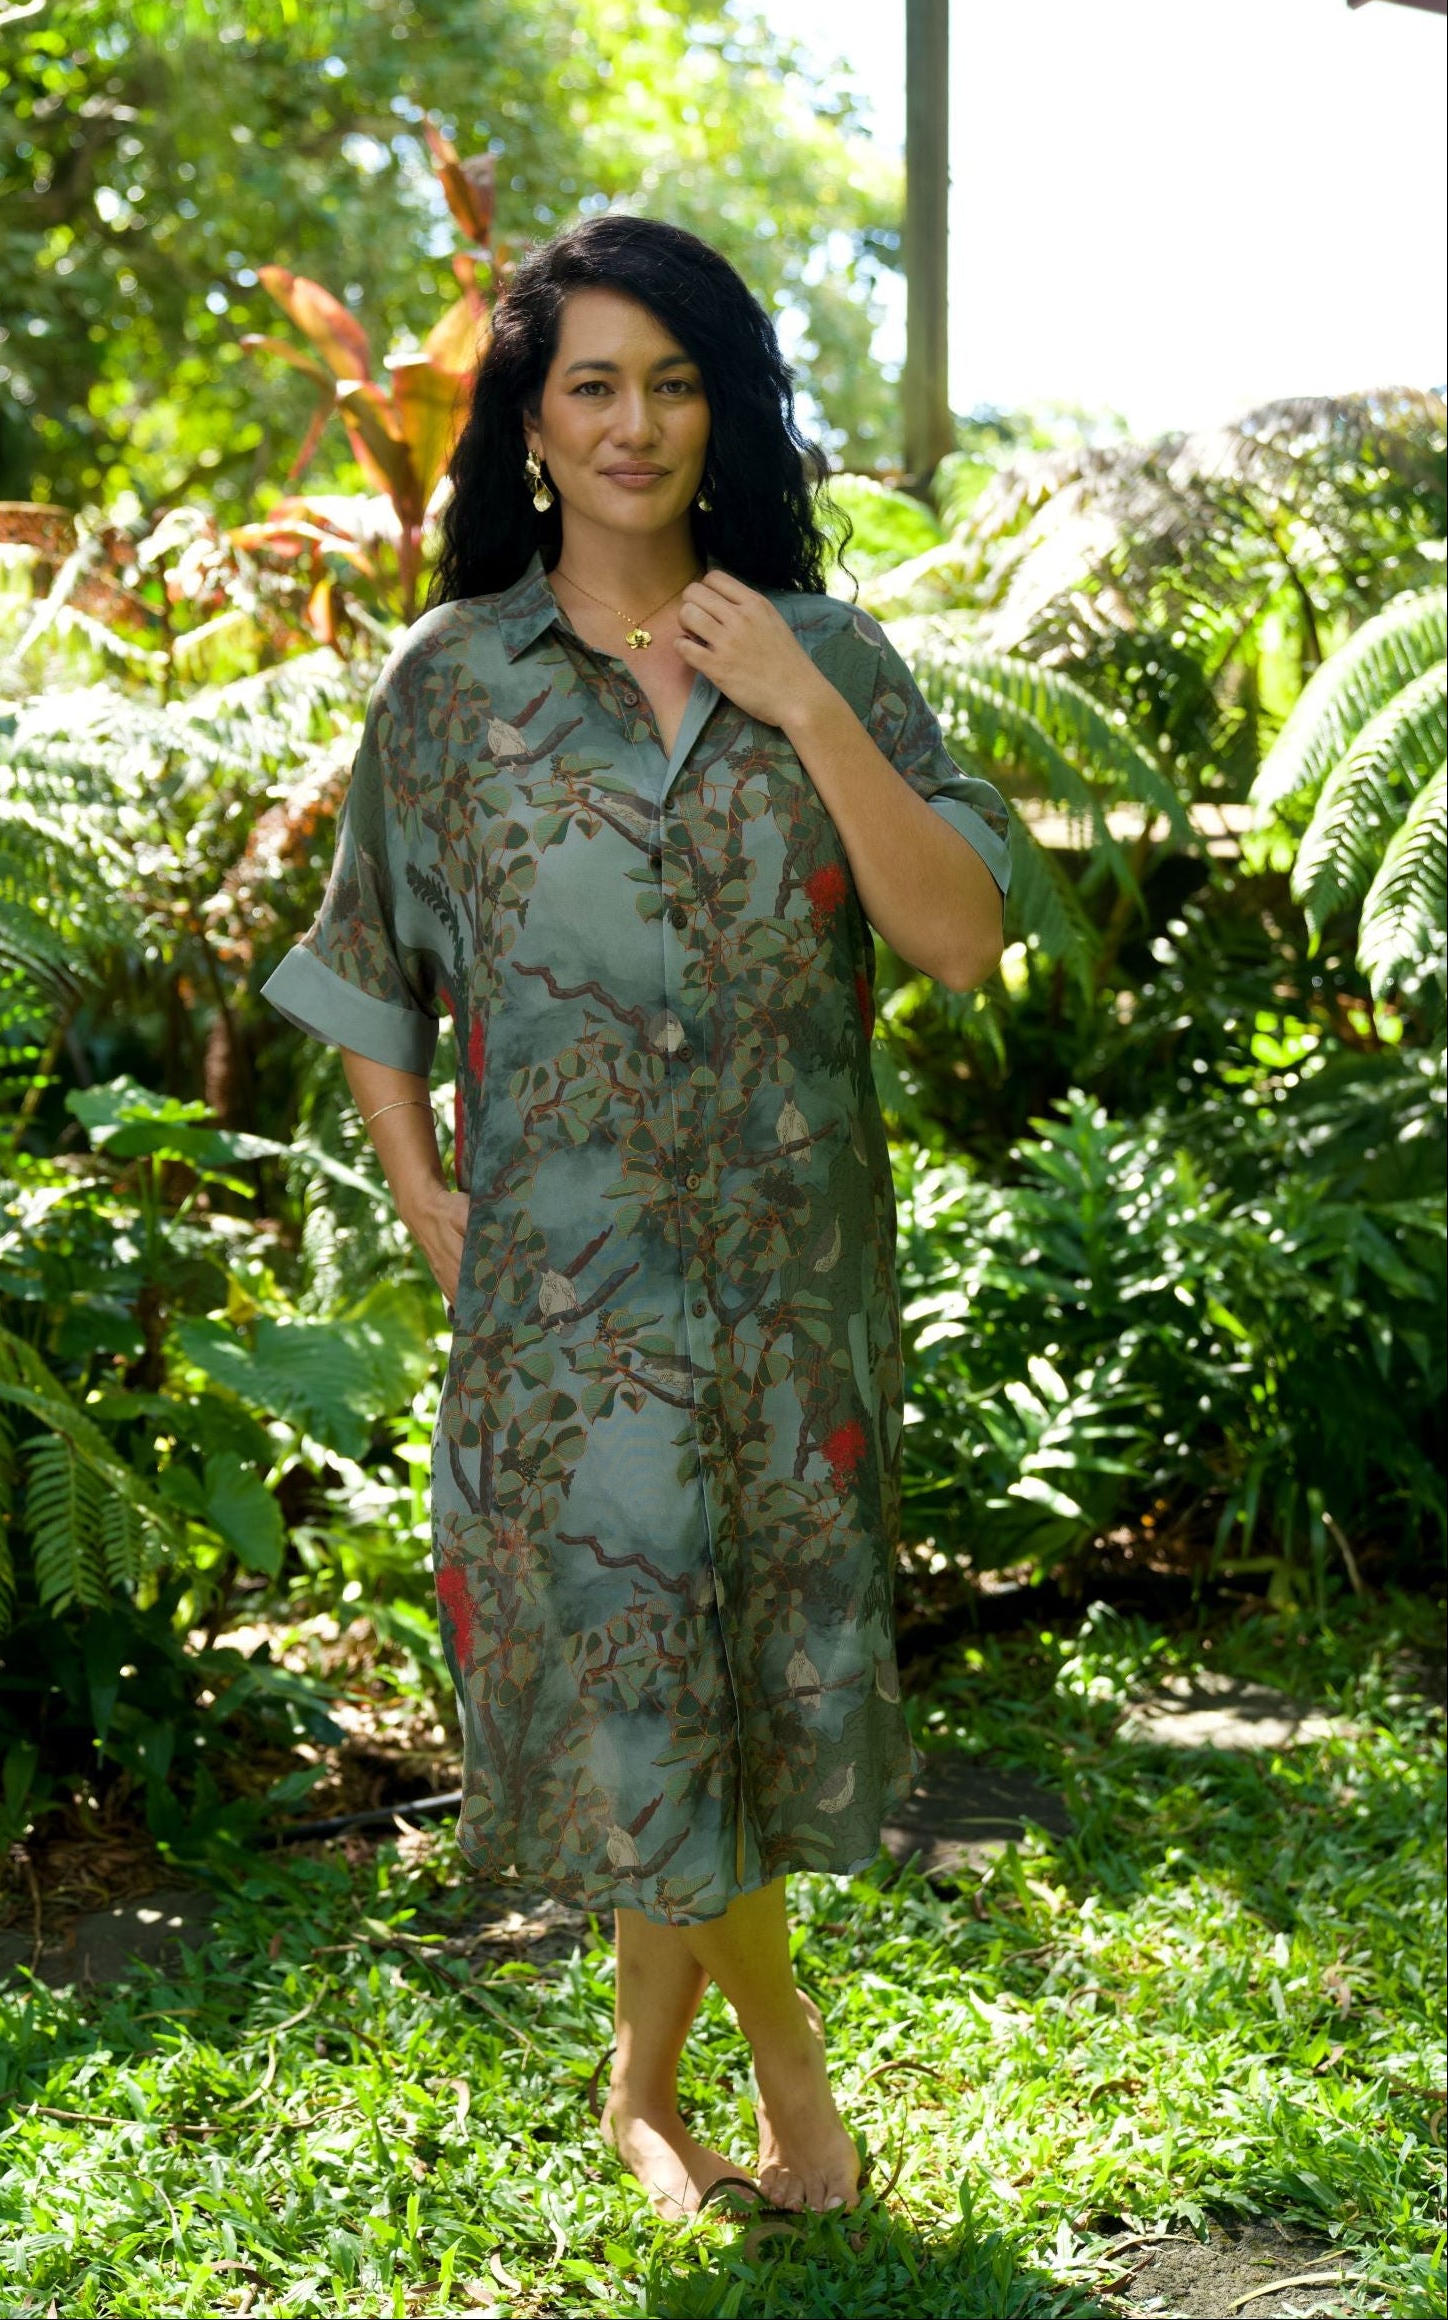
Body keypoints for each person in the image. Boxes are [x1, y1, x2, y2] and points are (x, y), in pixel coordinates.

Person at [261, 213, 1010, 2220]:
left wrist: (802, 702)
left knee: (733, 1684)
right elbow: (366, 963)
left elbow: (958, 940)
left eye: (673, 383)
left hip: (792, 1296)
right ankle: (794, 2080)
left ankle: (639, 2086)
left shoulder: (832, 656)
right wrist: (420, 1184)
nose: (634, 422)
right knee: (648, 1680)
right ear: (528, 422)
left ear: (721, 412)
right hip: (569, 1309)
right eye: (590, 382)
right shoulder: (452, 686)